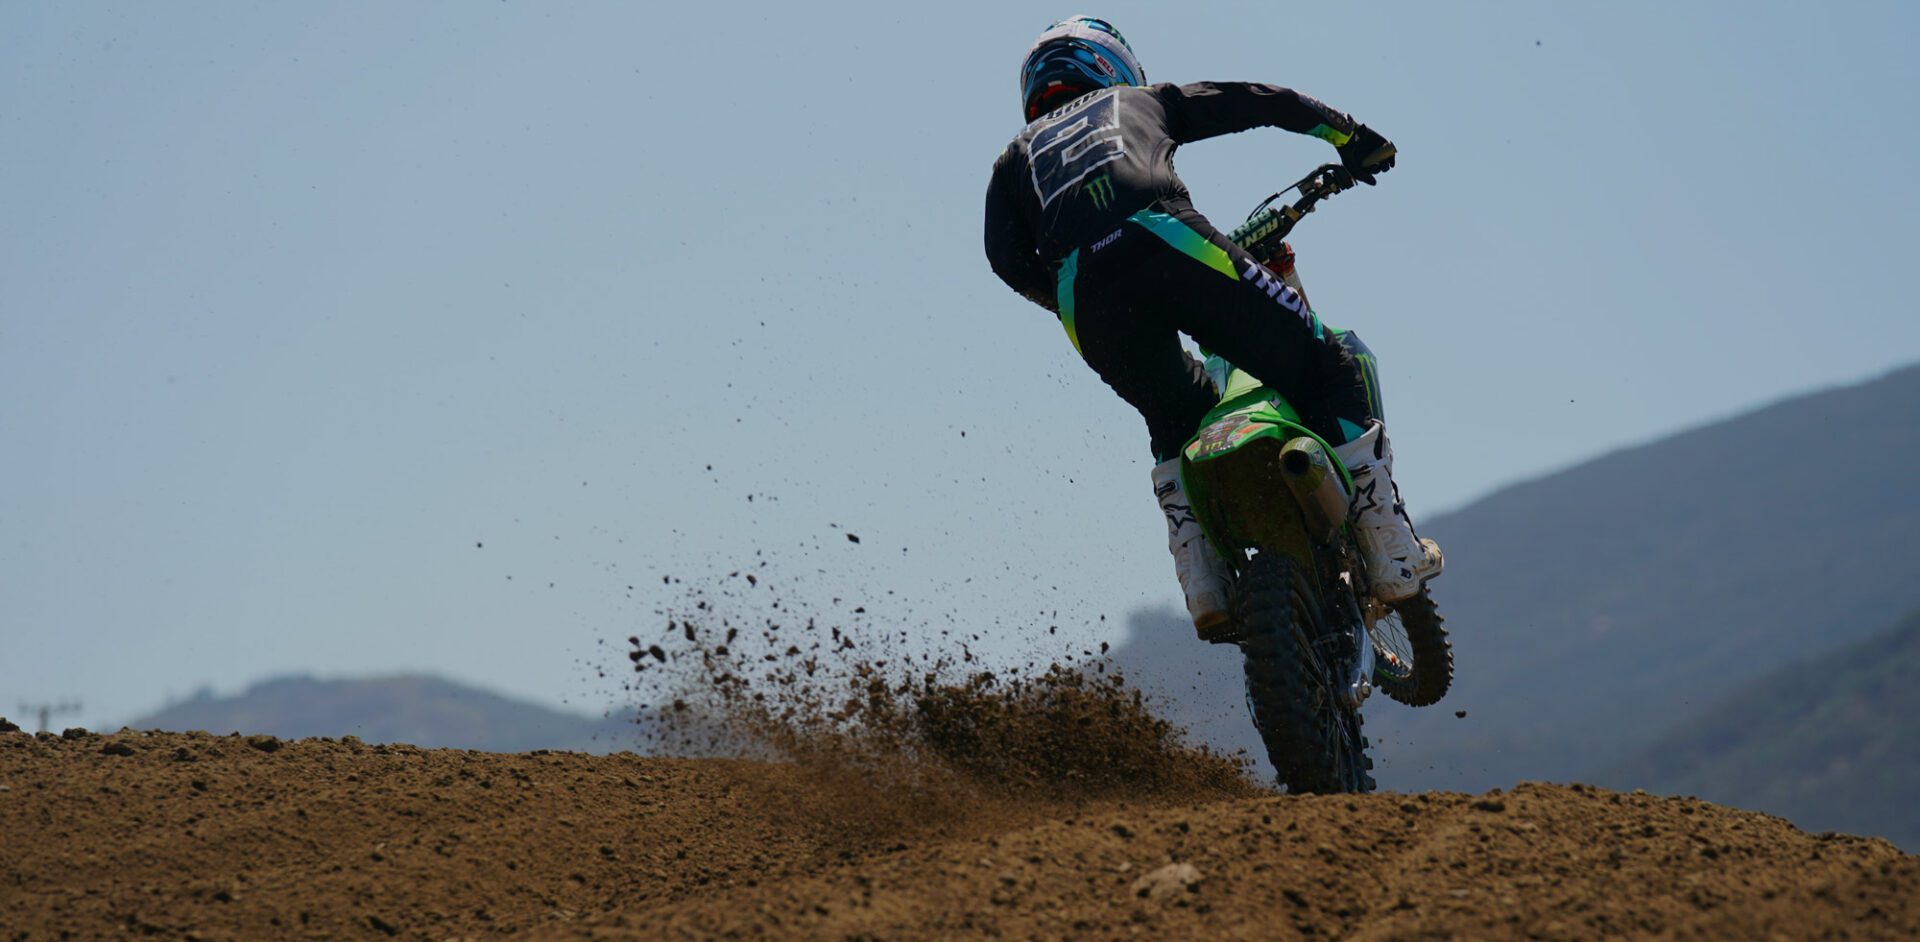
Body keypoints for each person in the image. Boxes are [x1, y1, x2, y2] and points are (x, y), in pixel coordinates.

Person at [983, 15, 1442, 632]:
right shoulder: (1135, 102)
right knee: (1325, 363)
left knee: (1175, 415)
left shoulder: (1012, 160)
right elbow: (1255, 101)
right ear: (1109, 65)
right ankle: (1390, 550)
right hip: (1166, 236)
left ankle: (1203, 579)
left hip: (1082, 295)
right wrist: (1349, 135)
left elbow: (1005, 260)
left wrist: (1067, 294)